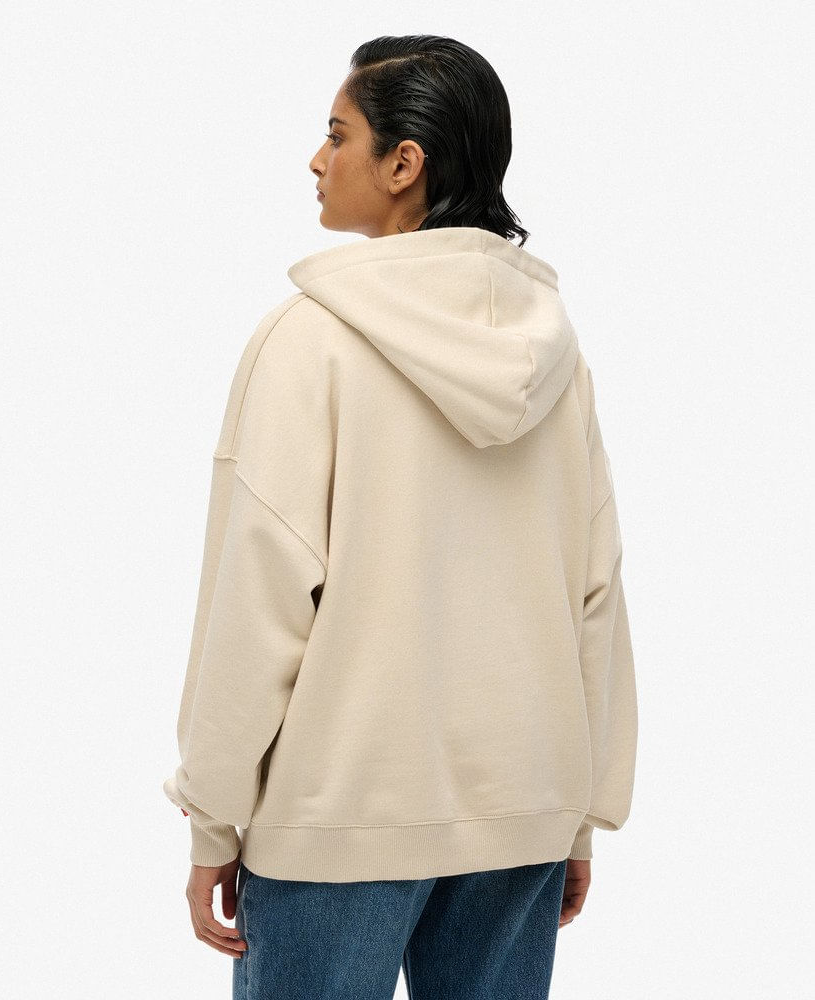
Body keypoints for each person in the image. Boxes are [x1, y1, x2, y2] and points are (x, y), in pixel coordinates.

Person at [163, 33, 638, 1000]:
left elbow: (257, 600)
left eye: (338, 135)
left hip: (339, 820)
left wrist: (214, 816)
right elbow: (595, 593)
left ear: (403, 164)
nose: (317, 158)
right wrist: (578, 813)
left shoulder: (309, 342)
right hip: (525, 808)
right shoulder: (557, 359)